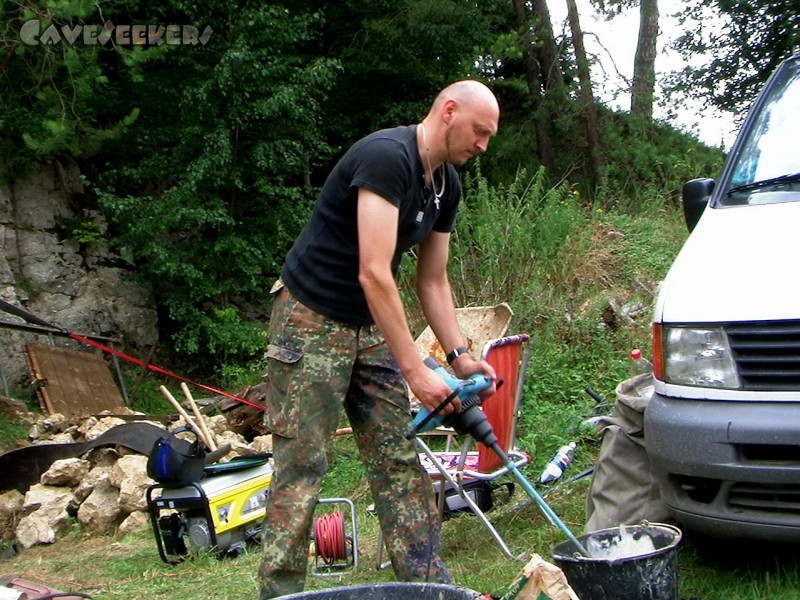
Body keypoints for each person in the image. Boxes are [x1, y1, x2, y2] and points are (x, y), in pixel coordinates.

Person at [258, 80, 501, 599]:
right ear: (449, 111)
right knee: (302, 469)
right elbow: (374, 271)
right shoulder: (387, 157)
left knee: (397, 458)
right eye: (479, 132)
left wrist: (458, 356)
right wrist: (416, 369)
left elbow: (432, 280)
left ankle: (430, 588)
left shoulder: (447, 185)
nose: (483, 145)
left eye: (489, 137)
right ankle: (279, 596)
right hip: (310, 318)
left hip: (369, 327)